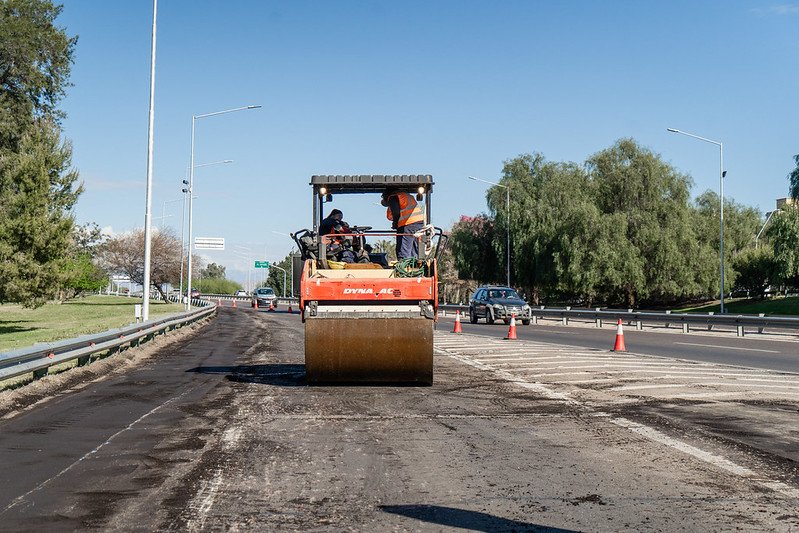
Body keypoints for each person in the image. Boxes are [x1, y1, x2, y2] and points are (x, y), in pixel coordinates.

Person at [382, 191, 425, 259]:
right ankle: (414, 265)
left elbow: (396, 213)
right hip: (419, 224)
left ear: (386, 196)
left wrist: (395, 224)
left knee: (403, 249)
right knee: (414, 250)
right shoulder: (406, 196)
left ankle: (403, 265)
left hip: (408, 224)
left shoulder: (393, 197)